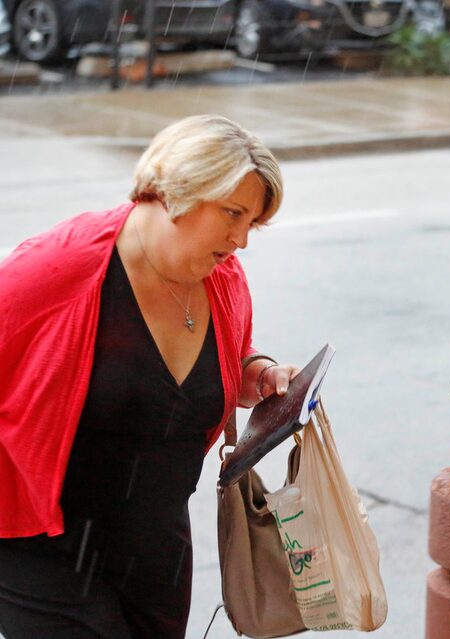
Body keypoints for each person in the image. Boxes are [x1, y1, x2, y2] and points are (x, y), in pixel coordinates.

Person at [0, 114, 298, 638]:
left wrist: (254, 372)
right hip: (42, 546)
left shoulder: (221, 276)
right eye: (232, 213)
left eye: (251, 222)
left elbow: (222, 355)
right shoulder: (52, 272)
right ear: (176, 191)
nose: (242, 240)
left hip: (157, 548)